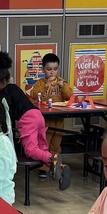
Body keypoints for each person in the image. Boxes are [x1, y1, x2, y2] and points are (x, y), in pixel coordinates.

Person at [0, 51, 70, 190]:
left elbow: (6, 115)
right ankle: (60, 168)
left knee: (30, 150)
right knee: (42, 149)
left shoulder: (4, 94)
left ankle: (52, 160)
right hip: (38, 116)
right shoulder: (14, 88)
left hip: (28, 120)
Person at [28, 53, 72, 181]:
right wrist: (45, 86)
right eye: (49, 69)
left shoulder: (62, 82)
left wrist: (63, 87)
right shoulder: (40, 83)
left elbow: (69, 96)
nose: (52, 72)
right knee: (45, 143)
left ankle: (56, 166)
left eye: (55, 69)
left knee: (56, 144)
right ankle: (44, 167)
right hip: (45, 120)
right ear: (43, 70)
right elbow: (34, 95)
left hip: (58, 118)